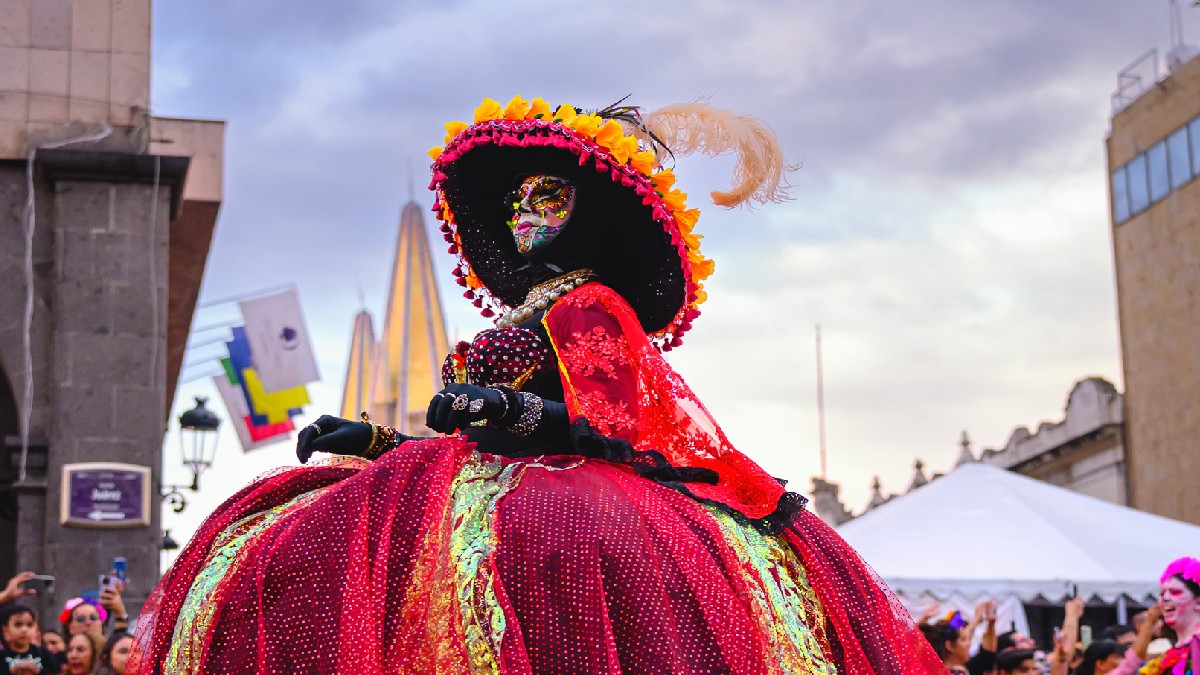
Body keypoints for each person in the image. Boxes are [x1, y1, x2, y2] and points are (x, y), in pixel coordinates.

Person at [126, 96, 946, 674]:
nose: (525, 211)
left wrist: (507, 406)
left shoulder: (590, 303)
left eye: (547, 194)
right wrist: (376, 441)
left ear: (588, 213)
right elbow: (462, 448)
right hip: (485, 497)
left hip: (568, 515)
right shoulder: (531, 309)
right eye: (517, 198)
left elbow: (612, 422)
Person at [1110, 556, 1199, 675]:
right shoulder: (1169, 656)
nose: (1165, 598)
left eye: (1175, 592)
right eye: (1162, 593)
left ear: (1198, 603)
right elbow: (1126, 670)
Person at [0, 605, 60, 674]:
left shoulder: (41, 653)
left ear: (36, 630)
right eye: (18, 625)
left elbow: (56, 672)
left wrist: (38, 671)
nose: (24, 630)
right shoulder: (2, 656)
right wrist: (12, 671)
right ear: (6, 631)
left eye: (29, 625)